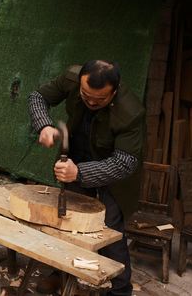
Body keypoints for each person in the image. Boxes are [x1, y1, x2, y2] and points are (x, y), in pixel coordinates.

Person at [28, 60, 145, 295]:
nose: (91, 102)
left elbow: (124, 162)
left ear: (115, 90)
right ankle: (61, 275)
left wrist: (80, 173)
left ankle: (120, 290)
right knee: (67, 222)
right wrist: (44, 125)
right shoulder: (72, 78)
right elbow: (37, 96)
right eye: (86, 95)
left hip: (114, 175)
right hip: (76, 157)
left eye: (100, 99)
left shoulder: (131, 111)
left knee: (109, 233)